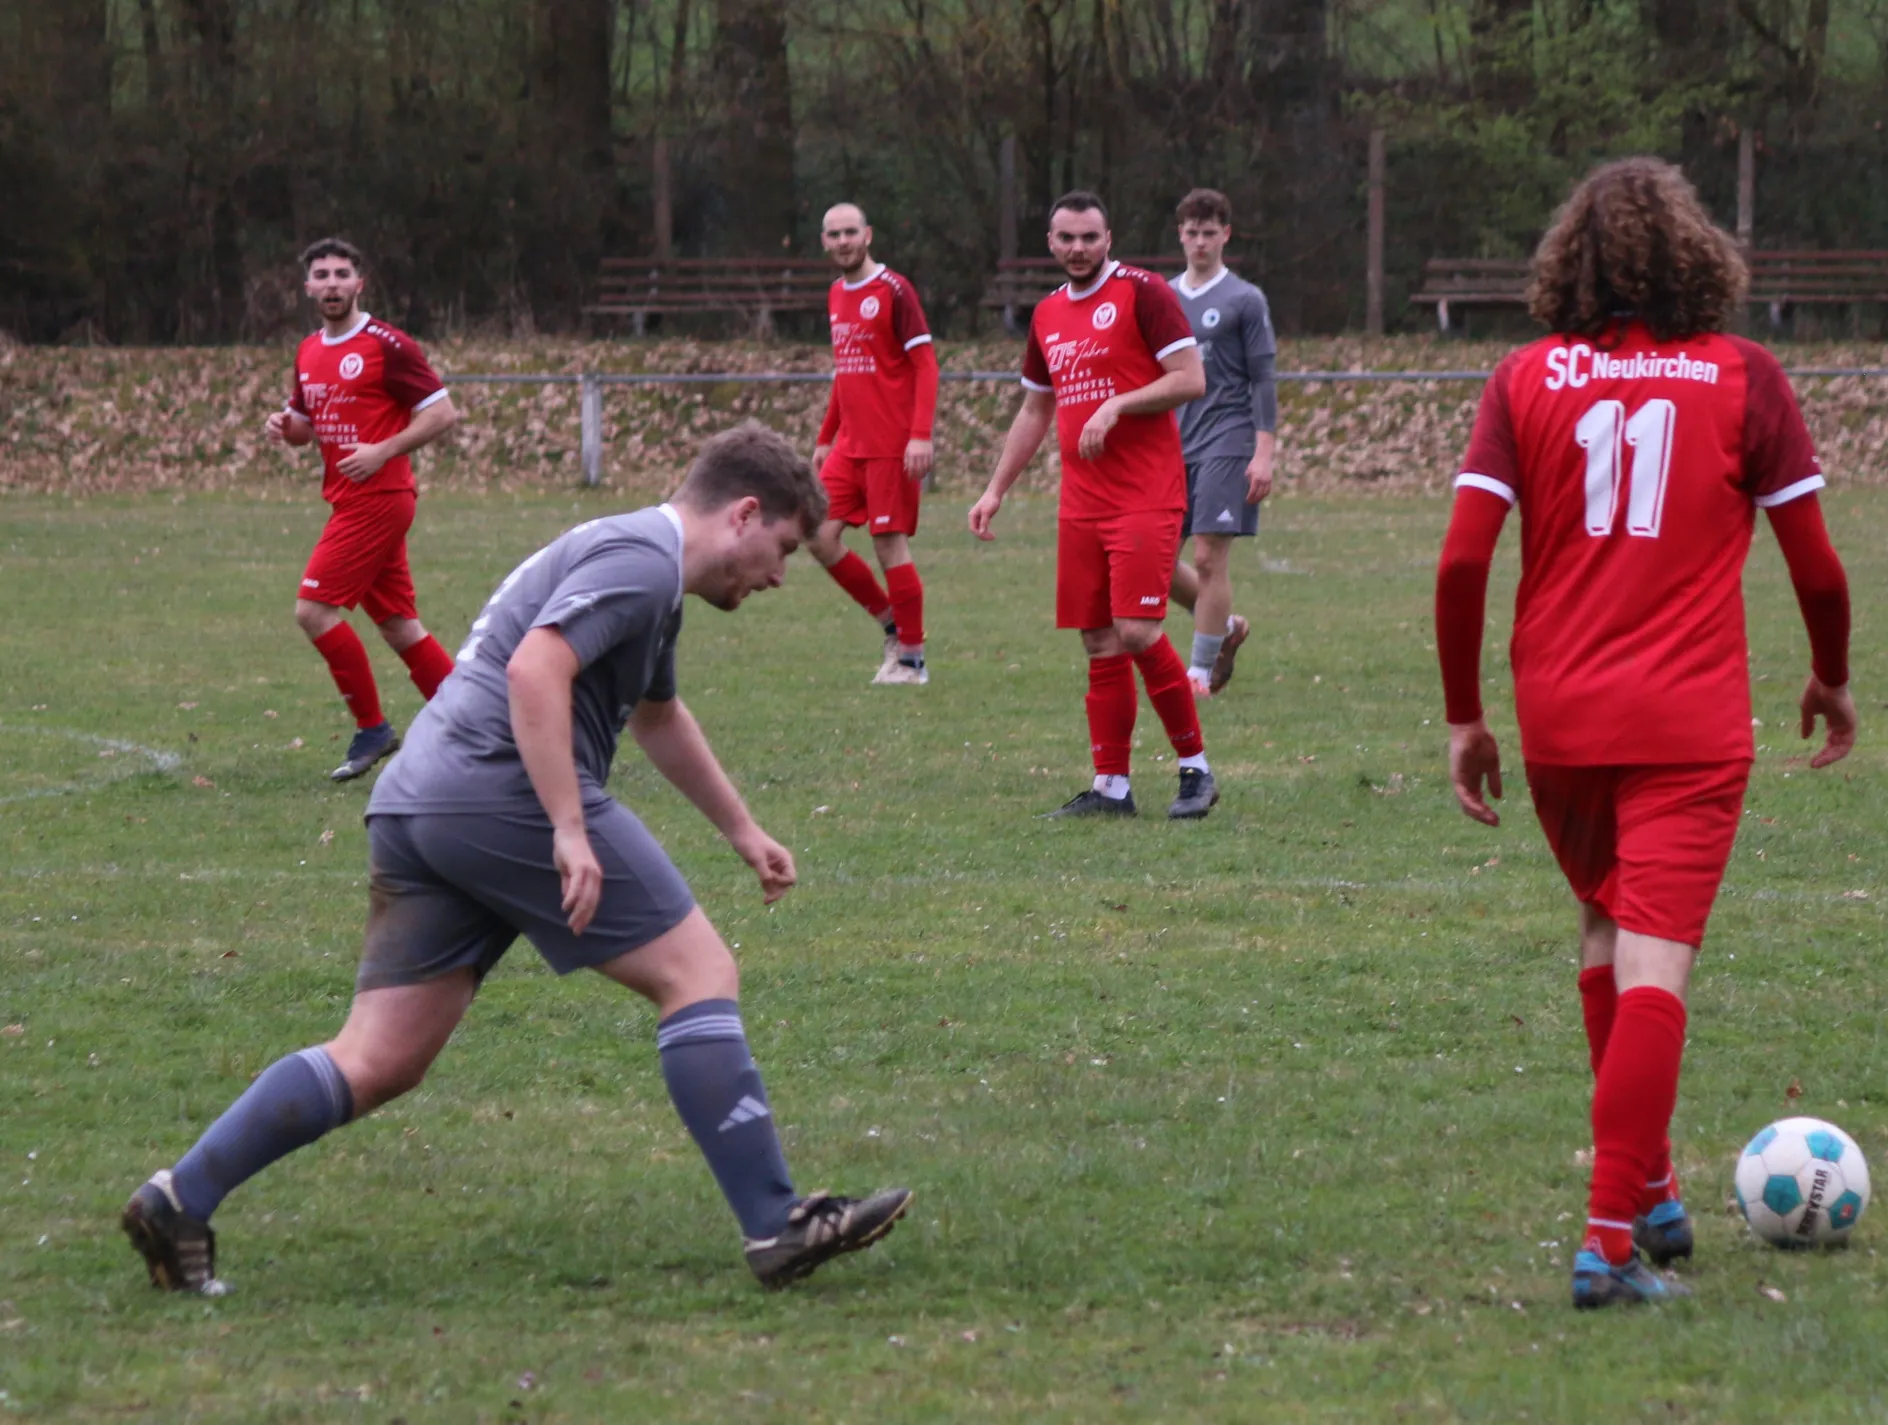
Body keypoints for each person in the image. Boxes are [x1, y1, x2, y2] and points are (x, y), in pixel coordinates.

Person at [121, 422, 913, 1296]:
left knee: (380, 1056)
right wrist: (569, 827)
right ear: (745, 513)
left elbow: (656, 716)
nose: (777, 574)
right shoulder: (642, 563)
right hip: (500, 791)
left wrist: (742, 830)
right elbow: (537, 671)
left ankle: (178, 1195)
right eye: (785, 549)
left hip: (423, 797)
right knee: (698, 973)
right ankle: (777, 1223)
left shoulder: (643, 564)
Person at [1433, 157, 1857, 1309]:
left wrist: (1464, 716)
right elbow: (1814, 564)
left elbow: (1463, 557)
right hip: (1685, 721)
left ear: (1569, 260)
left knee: (1599, 929)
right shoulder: (1741, 376)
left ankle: (1655, 1185)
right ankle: (1608, 1243)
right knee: (1654, 959)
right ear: (1693, 254)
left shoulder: (1524, 377)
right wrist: (1827, 676)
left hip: (1557, 720)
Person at [970, 191, 1219, 820]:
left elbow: (1191, 378)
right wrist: (995, 489)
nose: (1076, 249)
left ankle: (1196, 770)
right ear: (1049, 243)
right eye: (1064, 238)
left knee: (1137, 630)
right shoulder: (1049, 312)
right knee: (1099, 640)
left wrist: (1117, 403)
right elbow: (1034, 408)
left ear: (1108, 238)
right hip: (1082, 502)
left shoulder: (1143, 293)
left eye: (1088, 237)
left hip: (1145, 494)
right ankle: (1112, 788)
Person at [265, 238, 462, 782]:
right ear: (308, 287)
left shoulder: (387, 345)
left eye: (341, 274)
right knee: (400, 625)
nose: (331, 283)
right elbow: (305, 428)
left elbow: (443, 414)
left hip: (380, 499)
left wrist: (383, 450)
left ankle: (372, 727)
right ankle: (480, 727)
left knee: (313, 610)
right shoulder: (307, 351)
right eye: (321, 275)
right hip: (347, 498)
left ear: (359, 284)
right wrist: (285, 428)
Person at [808, 202, 941, 684]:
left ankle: (912, 660)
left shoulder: (894, 290)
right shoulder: (836, 294)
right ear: (824, 241)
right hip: (851, 445)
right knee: (818, 534)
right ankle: (893, 622)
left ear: (868, 234)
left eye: (850, 232)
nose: (842, 241)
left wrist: (920, 435)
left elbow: (926, 365)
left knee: (889, 547)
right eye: (833, 234)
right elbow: (847, 370)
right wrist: (827, 437)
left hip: (891, 443)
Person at [1166, 188, 1276, 696]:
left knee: (1210, 558)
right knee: (1155, 563)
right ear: (1180, 235)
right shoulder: (1163, 298)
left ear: (1225, 235)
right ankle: (1226, 627)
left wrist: (1264, 452)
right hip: (1172, 442)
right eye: (1193, 233)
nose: (1201, 242)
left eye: (1210, 233)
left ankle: (1198, 673)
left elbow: (1263, 380)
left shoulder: (1244, 299)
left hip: (1227, 439)